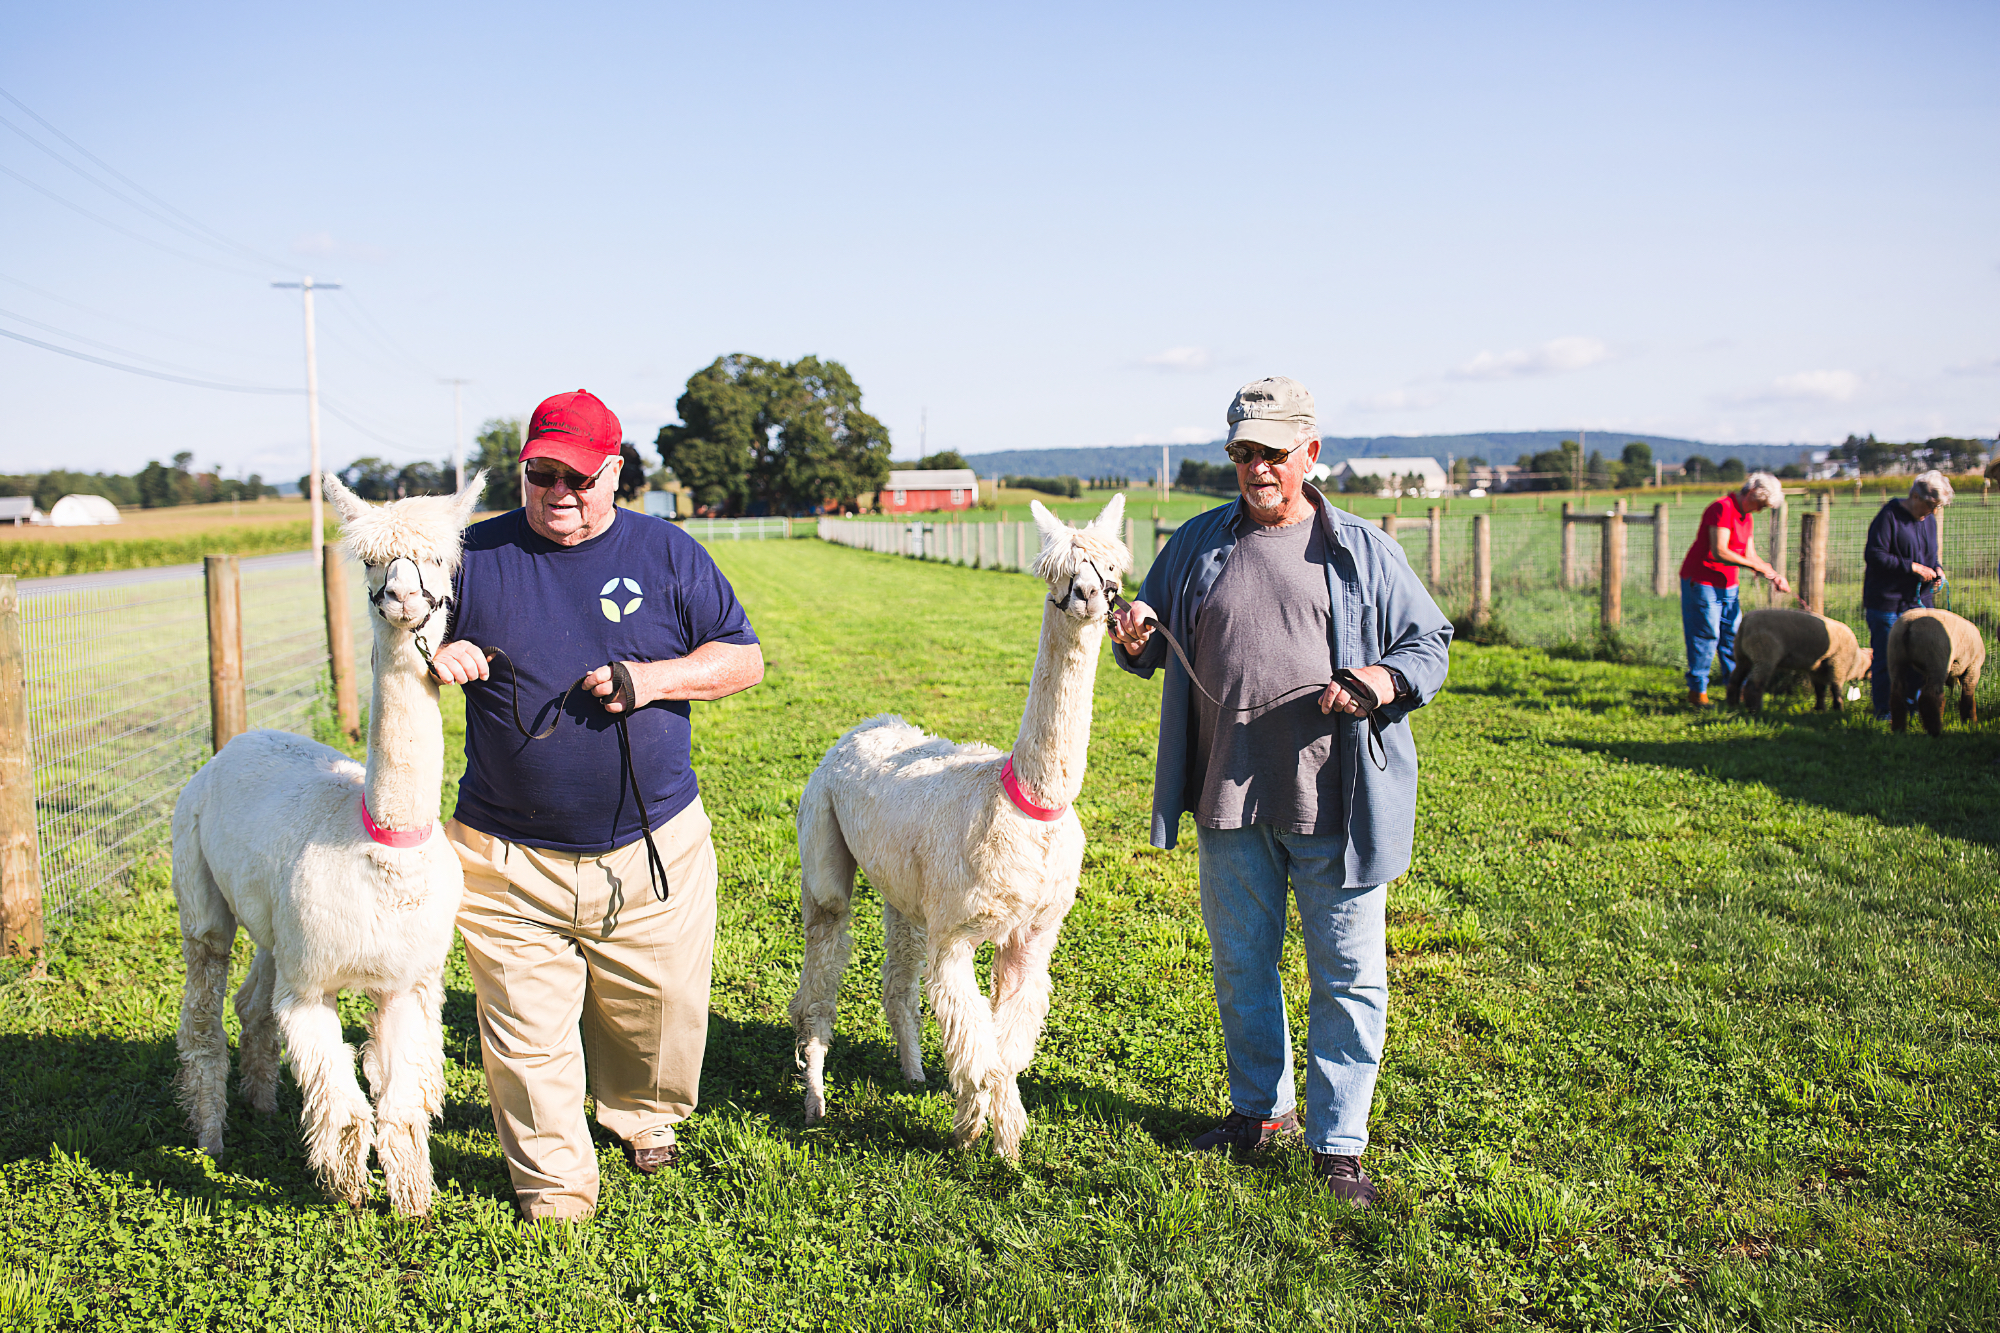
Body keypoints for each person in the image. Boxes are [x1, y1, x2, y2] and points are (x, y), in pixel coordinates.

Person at [1109, 376, 1451, 1207]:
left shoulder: (1363, 547)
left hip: (1336, 798)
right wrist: (1133, 632)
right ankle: (1261, 1111)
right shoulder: (1195, 542)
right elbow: (1149, 636)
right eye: (1242, 453)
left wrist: (1376, 679)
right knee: (1241, 964)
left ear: (1310, 451)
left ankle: (1339, 1145)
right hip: (1228, 795)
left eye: (1271, 452)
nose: (1257, 467)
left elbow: (1430, 643)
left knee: (1347, 972)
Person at [426, 389, 765, 1221]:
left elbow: (744, 658)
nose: (559, 492)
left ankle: (641, 1112)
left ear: (614, 472)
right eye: (542, 473)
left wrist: (651, 680)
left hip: (654, 844)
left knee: (657, 1011)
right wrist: (440, 654)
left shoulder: (668, 553)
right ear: (524, 470)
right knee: (526, 1035)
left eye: (578, 476)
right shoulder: (470, 556)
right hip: (505, 855)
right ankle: (555, 1186)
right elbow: (404, 643)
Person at [1677, 472, 1791, 706]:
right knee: (1706, 635)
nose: (1760, 509)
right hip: (1703, 581)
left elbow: (1749, 554)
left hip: (1729, 584)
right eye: (1760, 504)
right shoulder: (1722, 508)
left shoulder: (1745, 516)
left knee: (1732, 637)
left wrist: (1772, 573)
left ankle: (1734, 686)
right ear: (1751, 493)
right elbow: (1720, 551)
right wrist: (1753, 566)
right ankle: (1697, 690)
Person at [1862, 469, 1953, 720]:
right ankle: (1886, 709)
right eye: (1930, 505)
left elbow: (1931, 556)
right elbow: (1875, 555)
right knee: (1888, 659)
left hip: (1919, 603)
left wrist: (1937, 571)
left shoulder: (1929, 520)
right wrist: (1911, 567)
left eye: (1937, 507)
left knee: (1919, 659)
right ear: (1914, 495)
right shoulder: (1889, 517)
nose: (1933, 511)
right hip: (1887, 603)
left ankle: (1912, 706)